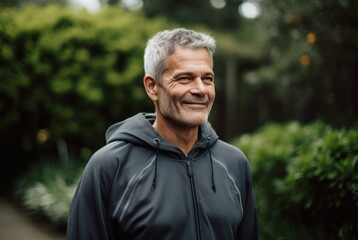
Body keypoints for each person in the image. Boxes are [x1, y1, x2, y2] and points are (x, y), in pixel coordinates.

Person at [67, 28, 259, 240]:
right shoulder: (109, 166)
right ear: (152, 87)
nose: (200, 89)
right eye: (185, 78)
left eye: (207, 78)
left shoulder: (234, 163)